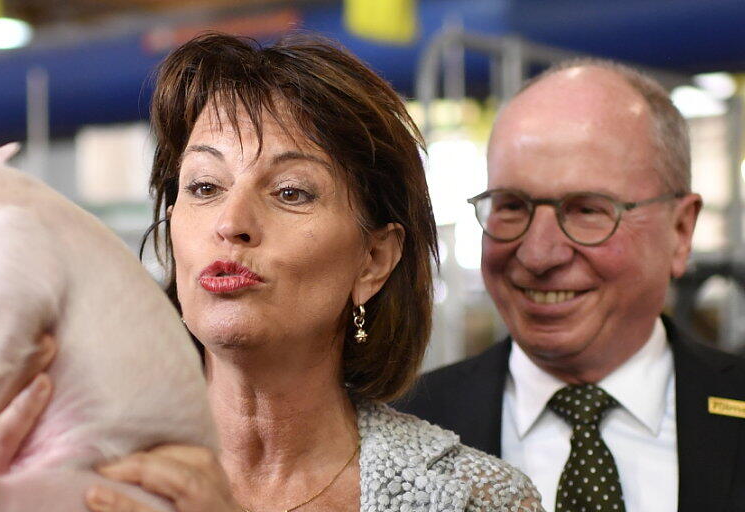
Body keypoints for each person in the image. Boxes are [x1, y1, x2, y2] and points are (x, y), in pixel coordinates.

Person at [81, 32, 541, 512]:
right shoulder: (79, 472)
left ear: (374, 259)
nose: (231, 223)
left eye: (290, 192)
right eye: (204, 186)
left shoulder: (479, 498)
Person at [394, 59, 745, 511]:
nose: (538, 254)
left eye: (587, 210)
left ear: (680, 231)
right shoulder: (401, 431)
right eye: (511, 206)